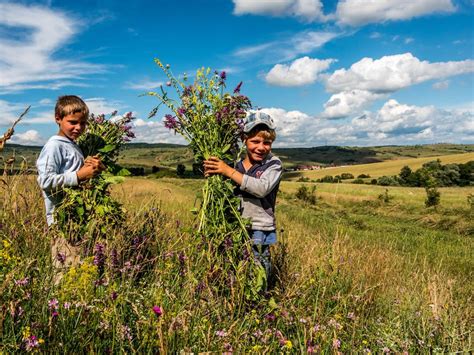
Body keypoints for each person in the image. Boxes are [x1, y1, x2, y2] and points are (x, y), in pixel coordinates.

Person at [203, 110, 282, 285]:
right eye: (255, 141)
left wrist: (228, 171)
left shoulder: (273, 164)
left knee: (258, 270)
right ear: (243, 139)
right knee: (233, 267)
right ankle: (236, 300)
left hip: (259, 227)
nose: (261, 147)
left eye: (267, 142)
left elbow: (261, 188)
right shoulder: (235, 164)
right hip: (234, 225)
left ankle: (259, 302)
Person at [36, 95, 105, 271]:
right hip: (62, 221)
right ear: (58, 119)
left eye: (83, 123)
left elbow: (73, 171)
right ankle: (61, 298)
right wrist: (79, 175)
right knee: (65, 267)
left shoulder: (72, 145)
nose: (78, 127)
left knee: (77, 265)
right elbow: (45, 180)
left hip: (77, 218)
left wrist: (92, 166)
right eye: (73, 122)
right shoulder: (54, 146)